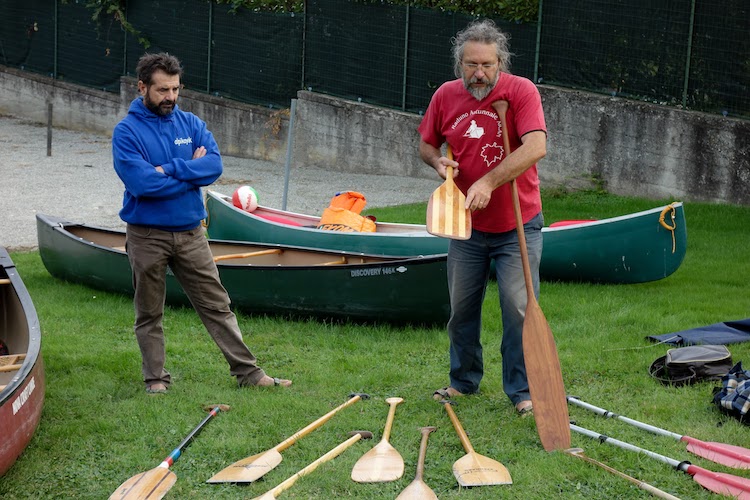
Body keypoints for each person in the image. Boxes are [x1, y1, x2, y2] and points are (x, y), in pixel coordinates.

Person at [112, 52, 291, 394]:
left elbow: (214, 167)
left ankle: (250, 374)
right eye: (163, 90)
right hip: (147, 235)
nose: (171, 97)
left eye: (176, 89)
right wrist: (190, 173)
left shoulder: (191, 124)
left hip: (193, 233)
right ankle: (156, 380)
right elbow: (143, 185)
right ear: (142, 87)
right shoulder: (126, 132)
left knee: (217, 305)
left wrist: (172, 169)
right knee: (149, 312)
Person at [418, 19, 547, 415]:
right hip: (466, 226)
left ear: (500, 62)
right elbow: (426, 143)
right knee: (461, 309)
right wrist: (438, 163)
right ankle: (463, 381)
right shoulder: (446, 96)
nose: (479, 73)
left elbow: (536, 146)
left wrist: (489, 181)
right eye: (472, 64)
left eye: (488, 65)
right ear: (460, 64)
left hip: (517, 224)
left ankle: (522, 391)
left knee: (519, 309)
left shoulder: (520, 91)